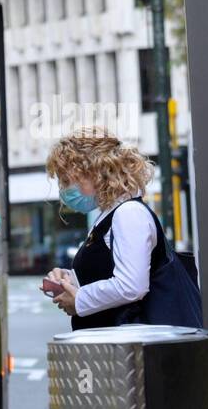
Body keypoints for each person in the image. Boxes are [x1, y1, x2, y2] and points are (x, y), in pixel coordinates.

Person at [44, 127, 168, 328]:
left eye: (67, 180)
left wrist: (79, 299)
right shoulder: (110, 214)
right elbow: (108, 272)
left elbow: (132, 285)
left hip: (128, 345)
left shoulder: (128, 214)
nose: (64, 190)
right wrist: (68, 280)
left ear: (95, 172)